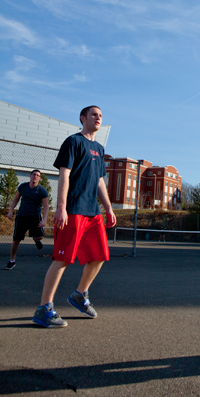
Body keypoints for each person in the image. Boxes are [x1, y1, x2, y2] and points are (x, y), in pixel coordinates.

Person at [32, 105, 116, 328]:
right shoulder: (73, 142)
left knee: (99, 256)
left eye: (100, 116)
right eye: (94, 115)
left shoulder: (99, 148)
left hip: (93, 213)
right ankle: (44, 309)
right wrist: (61, 207)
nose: (98, 118)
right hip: (73, 210)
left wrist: (108, 208)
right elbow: (64, 175)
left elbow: (99, 182)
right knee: (63, 259)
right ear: (83, 118)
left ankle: (80, 295)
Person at [5, 169, 49, 270]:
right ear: (30, 176)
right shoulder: (23, 186)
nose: (35, 176)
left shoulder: (42, 190)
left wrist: (44, 219)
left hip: (35, 217)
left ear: (39, 178)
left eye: (38, 175)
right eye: (34, 174)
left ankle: (36, 239)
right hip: (22, 216)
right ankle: (12, 261)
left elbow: (46, 206)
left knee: (39, 237)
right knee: (16, 240)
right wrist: (11, 210)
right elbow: (16, 199)